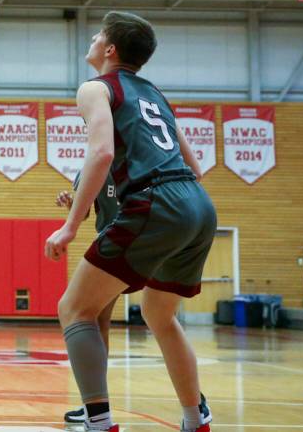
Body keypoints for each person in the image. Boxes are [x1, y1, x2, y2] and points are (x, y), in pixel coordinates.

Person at [45, 11, 215, 432]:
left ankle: (99, 423)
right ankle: (196, 419)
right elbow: (196, 168)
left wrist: (69, 225)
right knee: (160, 315)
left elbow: (101, 154)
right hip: (199, 207)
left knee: (74, 309)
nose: (92, 40)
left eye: (98, 35)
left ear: (110, 49)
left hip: (157, 202)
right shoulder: (153, 93)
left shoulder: (95, 88)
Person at [56, 171, 212, 427]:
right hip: (154, 227)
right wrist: (72, 205)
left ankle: (96, 411)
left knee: (84, 313)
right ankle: (195, 409)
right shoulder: (91, 169)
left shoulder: (117, 153)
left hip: (136, 232)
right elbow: (84, 212)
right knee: (151, 316)